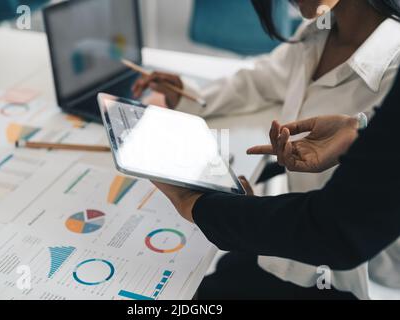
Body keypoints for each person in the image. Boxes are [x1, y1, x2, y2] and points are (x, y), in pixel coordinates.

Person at [133, 0, 400, 299]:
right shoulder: (317, 32)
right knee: (212, 276)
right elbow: (261, 80)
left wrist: (202, 206)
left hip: (351, 271)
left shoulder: (394, 63)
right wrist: (187, 97)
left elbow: (341, 231)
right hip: (299, 232)